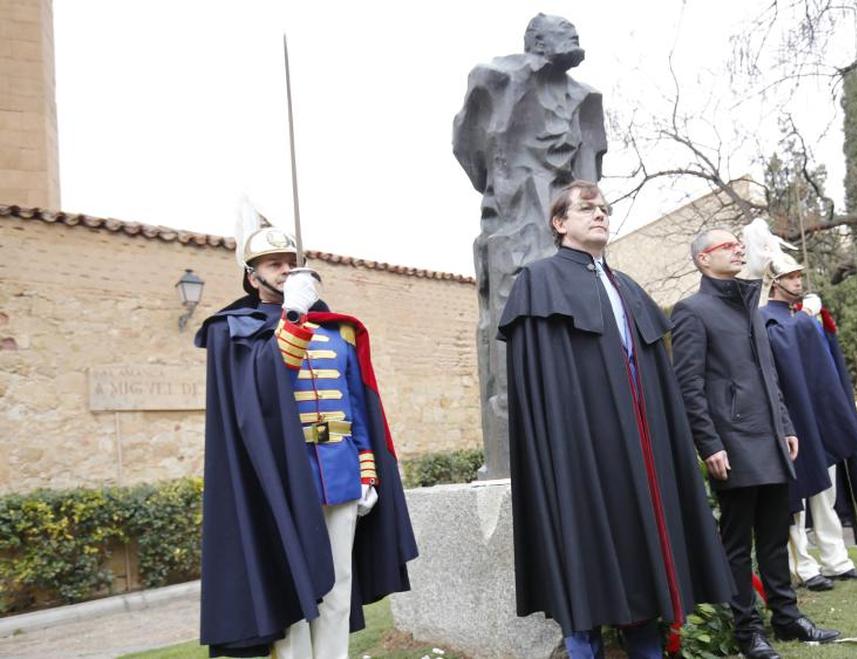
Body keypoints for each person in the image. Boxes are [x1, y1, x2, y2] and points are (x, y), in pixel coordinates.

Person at [499, 181, 735, 657]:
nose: (601, 214)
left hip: (642, 454)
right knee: (584, 552)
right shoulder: (539, 281)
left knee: (644, 558)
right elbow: (540, 386)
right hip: (582, 453)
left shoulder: (626, 286)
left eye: (605, 208)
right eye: (587, 209)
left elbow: (655, 379)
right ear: (560, 223)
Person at [195, 224, 417, 657]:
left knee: (337, 587)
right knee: (294, 591)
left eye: (290, 263)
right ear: (251, 275)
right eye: (273, 264)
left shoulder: (337, 333)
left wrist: (366, 471)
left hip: (339, 472)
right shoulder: (234, 330)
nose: (285, 270)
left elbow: (359, 406)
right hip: (280, 481)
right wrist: (293, 316)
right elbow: (262, 384)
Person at [453, 13, 608, 479]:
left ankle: (583, 440)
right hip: (515, 218)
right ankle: (515, 448)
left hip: (565, 223)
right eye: (563, 30)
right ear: (537, 41)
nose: (574, 35)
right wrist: (503, 186)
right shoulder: (495, 79)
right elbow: (467, 146)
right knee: (513, 324)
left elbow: (590, 170)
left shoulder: (586, 99)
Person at [672, 230, 839, 659]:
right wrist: (709, 443)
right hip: (732, 443)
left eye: (738, 244)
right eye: (728, 246)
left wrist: (785, 424)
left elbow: (769, 376)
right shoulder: (692, 311)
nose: (739, 249)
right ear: (704, 260)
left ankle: (787, 618)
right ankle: (748, 633)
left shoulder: (750, 308)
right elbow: (689, 387)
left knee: (773, 534)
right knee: (737, 541)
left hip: (771, 441)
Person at [757, 255, 857, 592]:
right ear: (774, 282)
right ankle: (805, 568)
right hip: (790, 419)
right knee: (795, 500)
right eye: (791, 276)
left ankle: (836, 560)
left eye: (799, 275)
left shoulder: (800, 318)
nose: (798, 281)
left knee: (827, 493)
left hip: (817, 416)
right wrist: (808, 320)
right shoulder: (765, 319)